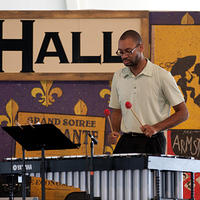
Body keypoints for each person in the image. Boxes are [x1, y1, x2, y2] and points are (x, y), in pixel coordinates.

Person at [108, 30, 188, 154]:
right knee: (115, 172)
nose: (124, 56)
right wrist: (115, 132)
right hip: (126, 140)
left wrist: (156, 128)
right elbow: (117, 111)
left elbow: (183, 113)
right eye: (121, 52)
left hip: (153, 141)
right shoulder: (118, 76)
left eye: (129, 51)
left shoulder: (162, 76)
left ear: (141, 48)